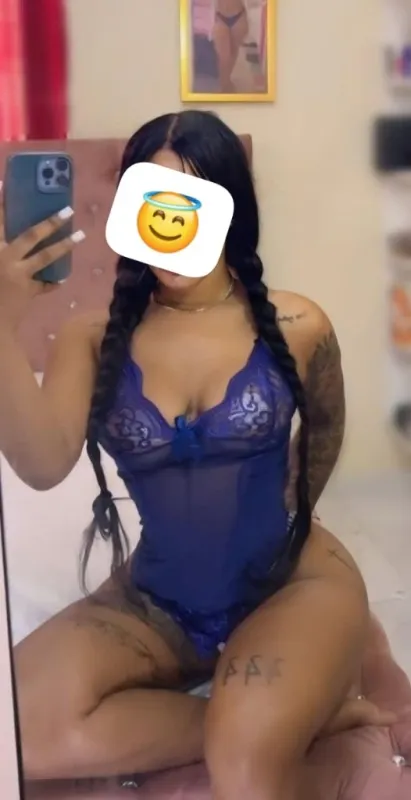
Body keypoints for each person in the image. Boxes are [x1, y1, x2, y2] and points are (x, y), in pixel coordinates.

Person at [0, 110, 395, 800]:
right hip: (160, 602)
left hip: (287, 585)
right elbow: (40, 464)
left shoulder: (297, 324)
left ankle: (271, 732)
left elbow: (326, 428)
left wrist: (292, 513)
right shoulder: (92, 339)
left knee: (244, 772)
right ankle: (298, 720)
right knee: (15, 726)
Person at [213, 0, 249, 92]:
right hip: (219, 16)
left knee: (234, 51)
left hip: (239, 16)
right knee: (224, 57)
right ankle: (224, 83)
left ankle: (226, 80)